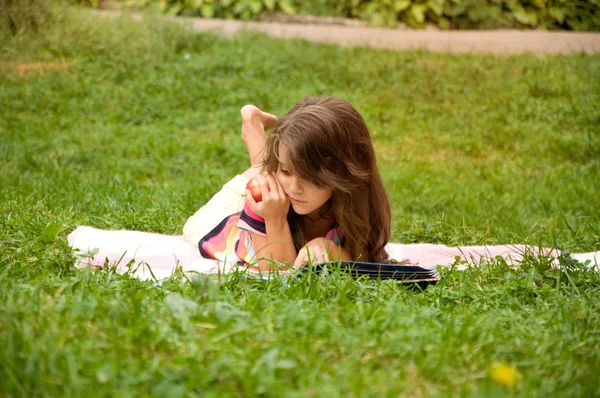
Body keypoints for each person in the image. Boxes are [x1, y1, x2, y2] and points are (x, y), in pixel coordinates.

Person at [68, 96, 598, 280]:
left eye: (309, 176)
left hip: (279, 199)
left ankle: (258, 133)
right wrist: (277, 219)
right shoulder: (276, 195)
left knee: (279, 184)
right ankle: (255, 132)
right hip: (240, 216)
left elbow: (362, 251)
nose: (295, 186)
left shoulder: (349, 200)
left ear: (344, 175)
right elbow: (275, 275)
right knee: (257, 181)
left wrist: (337, 251)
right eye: (292, 172)